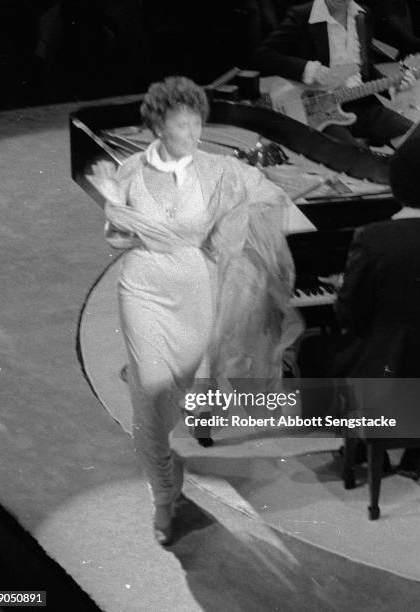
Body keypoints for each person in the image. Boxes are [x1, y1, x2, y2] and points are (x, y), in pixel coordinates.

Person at [89, 76, 302, 545]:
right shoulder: (127, 171)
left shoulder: (220, 170)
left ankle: (171, 457)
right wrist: (126, 218)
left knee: (182, 396)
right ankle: (164, 498)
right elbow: (115, 236)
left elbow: (265, 203)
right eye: (181, 124)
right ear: (157, 127)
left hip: (197, 292)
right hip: (143, 289)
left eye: (196, 122)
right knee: (149, 397)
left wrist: (232, 239)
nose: (192, 132)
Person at [326, 135, 420, 478]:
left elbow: (348, 314)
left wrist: (343, 288)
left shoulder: (372, 237)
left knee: (317, 351)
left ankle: (368, 450)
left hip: (386, 363)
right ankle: (413, 450)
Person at [252, 0, 415, 147]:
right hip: (316, 109)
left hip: (360, 101)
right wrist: (308, 68)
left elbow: (365, 68)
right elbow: (261, 56)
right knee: (355, 159)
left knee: (414, 139)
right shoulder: (302, 15)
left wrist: (392, 86)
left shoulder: (362, 15)